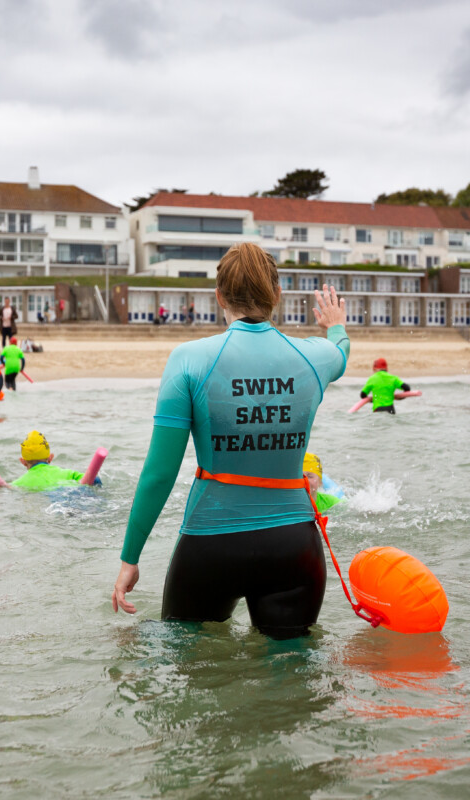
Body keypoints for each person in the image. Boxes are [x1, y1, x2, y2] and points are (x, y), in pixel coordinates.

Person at [111, 243, 350, 640]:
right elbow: (340, 351)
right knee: (289, 683)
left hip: (210, 545)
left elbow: (159, 473)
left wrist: (130, 558)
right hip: (294, 549)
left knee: (192, 671)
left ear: (219, 296)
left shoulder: (188, 360)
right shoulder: (314, 357)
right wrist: (336, 324)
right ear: (276, 295)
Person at [11, 431, 96, 492]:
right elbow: (94, 480)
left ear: (23, 462)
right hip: (72, 492)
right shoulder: (68, 474)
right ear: (50, 458)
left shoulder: (18, 484)